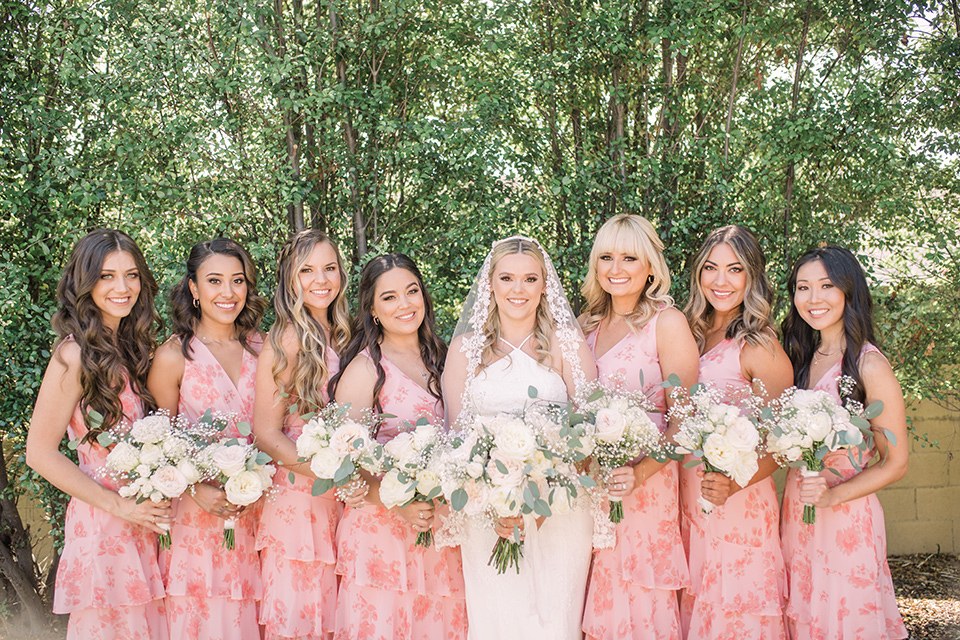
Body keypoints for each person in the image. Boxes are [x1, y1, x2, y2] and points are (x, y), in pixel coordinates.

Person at [443, 236, 597, 640]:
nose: (518, 289)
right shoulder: (465, 350)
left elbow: (588, 433)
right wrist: (493, 501)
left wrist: (545, 490)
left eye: (530, 279)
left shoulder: (567, 344)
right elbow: (456, 440)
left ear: (545, 285)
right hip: (489, 514)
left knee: (554, 621)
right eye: (507, 278)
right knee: (498, 619)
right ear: (489, 283)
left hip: (559, 510)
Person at [26, 229, 169, 639]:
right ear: (84, 283)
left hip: (143, 524)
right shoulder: (74, 354)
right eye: (107, 276)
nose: (122, 288)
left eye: (131, 275)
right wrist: (118, 506)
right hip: (104, 526)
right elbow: (38, 452)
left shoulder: (132, 347)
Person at [330, 253, 466, 640]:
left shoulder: (446, 359)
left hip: (442, 532)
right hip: (382, 538)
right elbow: (343, 469)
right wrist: (398, 502)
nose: (405, 304)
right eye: (389, 297)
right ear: (371, 309)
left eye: (412, 291)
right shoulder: (364, 371)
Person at [577, 214, 698, 640]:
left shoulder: (667, 323)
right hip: (594, 488)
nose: (616, 268)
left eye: (629, 257)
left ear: (650, 266)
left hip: (647, 488)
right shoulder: (584, 327)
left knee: (640, 598)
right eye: (606, 257)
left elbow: (685, 422)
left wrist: (640, 472)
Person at [780, 246, 908, 640]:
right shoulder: (797, 356)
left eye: (827, 286)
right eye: (803, 287)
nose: (813, 299)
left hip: (846, 520)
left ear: (849, 292)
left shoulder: (869, 364)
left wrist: (834, 497)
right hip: (797, 514)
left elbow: (896, 462)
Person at [147, 238, 267, 638]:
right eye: (214, 281)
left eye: (238, 281)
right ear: (194, 290)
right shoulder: (173, 356)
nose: (228, 293)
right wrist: (196, 487)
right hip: (196, 520)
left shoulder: (262, 349)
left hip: (259, 514)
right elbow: (156, 441)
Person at [679, 226, 793, 639]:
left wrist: (734, 480)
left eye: (734, 269)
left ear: (752, 277)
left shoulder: (758, 345)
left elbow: (786, 443)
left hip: (739, 503)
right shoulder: (689, 333)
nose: (720, 281)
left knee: (734, 614)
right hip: (689, 498)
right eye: (710, 268)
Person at [252, 229, 352, 640]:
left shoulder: (347, 335)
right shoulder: (286, 341)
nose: (321, 279)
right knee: (304, 616)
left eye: (330, 268)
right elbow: (265, 432)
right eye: (307, 270)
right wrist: (328, 474)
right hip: (301, 499)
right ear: (290, 279)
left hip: (346, 496)